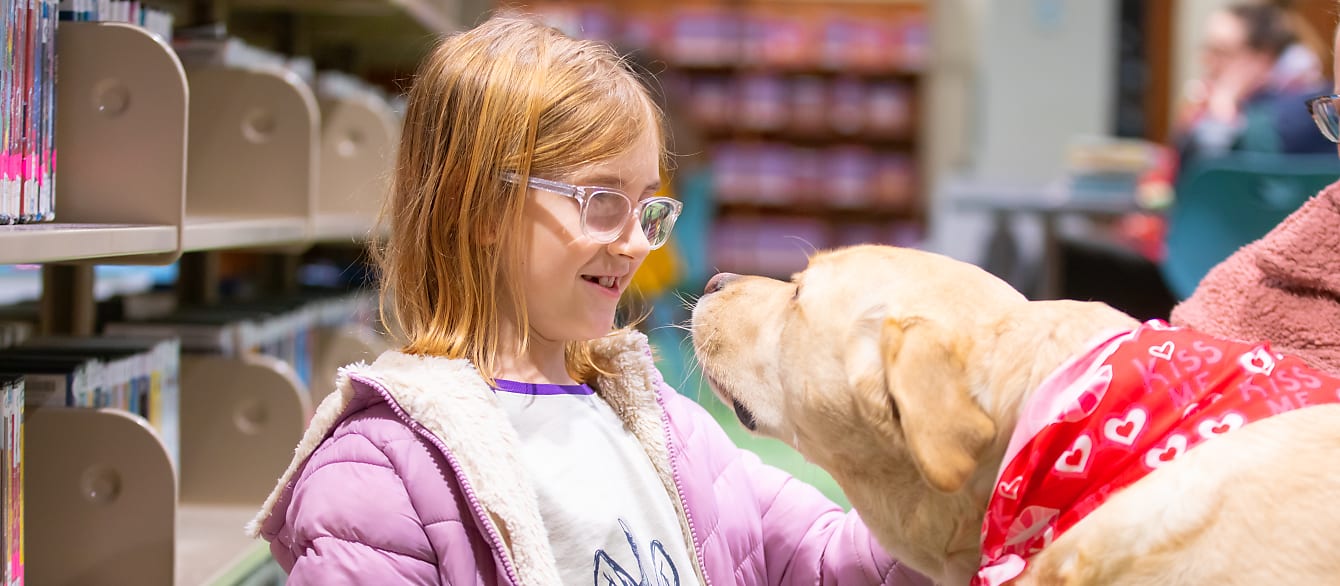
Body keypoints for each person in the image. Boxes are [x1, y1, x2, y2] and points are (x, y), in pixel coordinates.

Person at [246, 15, 930, 586]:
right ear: (478, 203)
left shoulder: (663, 427)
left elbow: (822, 558)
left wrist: (964, 498)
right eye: (602, 202)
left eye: (647, 208)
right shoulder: (380, 473)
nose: (638, 243)